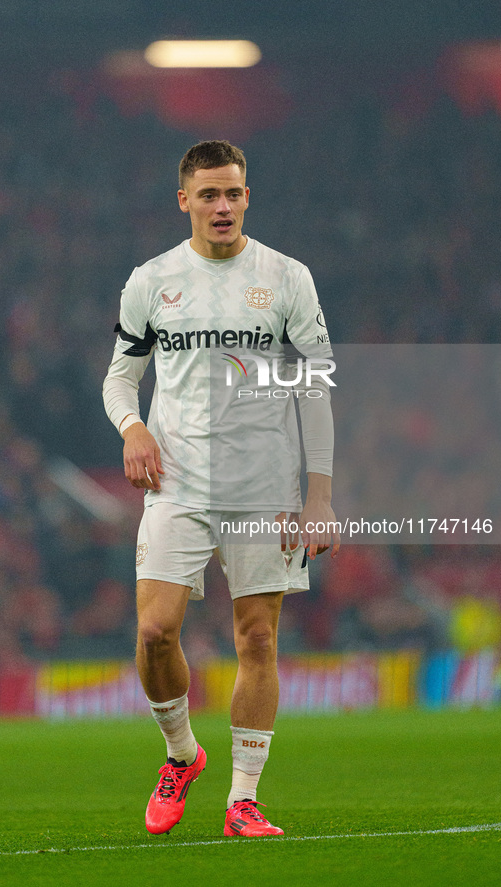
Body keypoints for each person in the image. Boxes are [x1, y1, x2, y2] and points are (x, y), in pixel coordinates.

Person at [103, 140, 340, 837]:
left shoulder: (286, 276)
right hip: (176, 480)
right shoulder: (151, 280)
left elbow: (315, 387)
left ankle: (243, 798)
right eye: (207, 194)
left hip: (263, 484)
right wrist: (131, 427)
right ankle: (181, 753)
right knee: (153, 630)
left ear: (246, 196)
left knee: (257, 639)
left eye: (232, 192)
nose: (222, 205)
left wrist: (318, 494)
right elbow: (120, 375)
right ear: (184, 201)